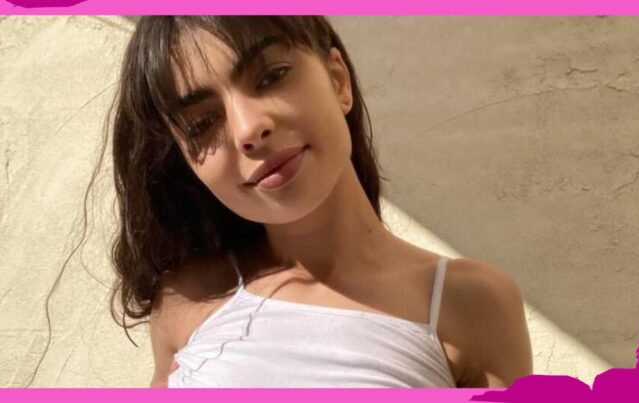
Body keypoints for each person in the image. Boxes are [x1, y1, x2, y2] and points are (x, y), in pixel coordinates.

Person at [106, 16, 532, 388]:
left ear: (338, 80)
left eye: (271, 76)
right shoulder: (185, 301)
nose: (247, 129)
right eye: (202, 123)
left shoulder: (470, 304)